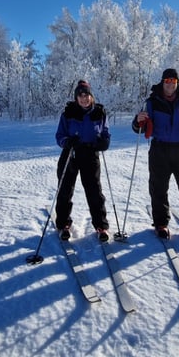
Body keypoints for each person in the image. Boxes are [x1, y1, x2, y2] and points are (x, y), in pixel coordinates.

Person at [131, 68, 179, 240]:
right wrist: (138, 121)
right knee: (158, 189)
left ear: (177, 83)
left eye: (173, 81)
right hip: (159, 150)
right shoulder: (152, 101)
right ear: (163, 82)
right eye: (167, 81)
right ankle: (161, 224)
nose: (170, 84)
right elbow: (138, 127)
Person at [55, 80, 112, 242]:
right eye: (80, 96)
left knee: (94, 190)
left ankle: (101, 225)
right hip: (71, 154)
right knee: (65, 189)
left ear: (91, 96)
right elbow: (59, 136)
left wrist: (104, 142)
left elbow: (106, 132)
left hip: (90, 154)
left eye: (86, 95)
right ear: (76, 98)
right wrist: (67, 142)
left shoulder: (99, 112)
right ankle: (63, 224)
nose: (84, 98)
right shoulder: (68, 113)